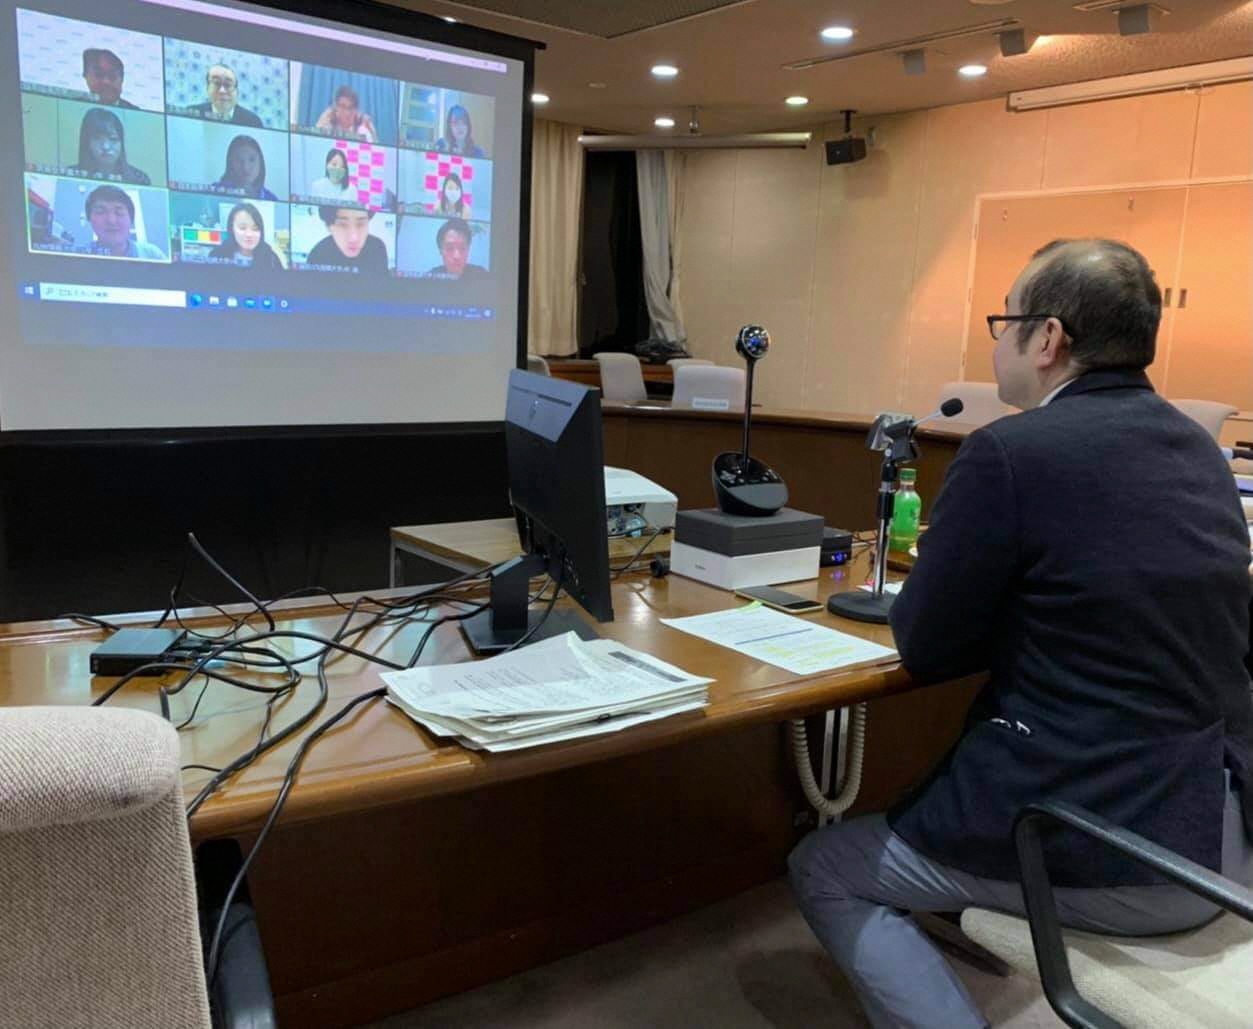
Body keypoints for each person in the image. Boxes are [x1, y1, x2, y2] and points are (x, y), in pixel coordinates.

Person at [788, 238, 1253, 1029]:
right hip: (1220, 828)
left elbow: (924, 643)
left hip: (1110, 841)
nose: (995, 342)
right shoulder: (1200, 453)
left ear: (1047, 339)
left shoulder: (1009, 451)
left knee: (825, 864)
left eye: (1004, 322)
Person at [68, 108, 150, 185]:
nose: (106, 147)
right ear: (87, 142)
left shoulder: (139, 179)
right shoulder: (71, 174)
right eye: (97, 139)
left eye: (113, 139)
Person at [82, 184, 164, 259]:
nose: (111, 220)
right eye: (101, 212)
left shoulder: (152, 255)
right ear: (89, 218)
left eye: (119, 212)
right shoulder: (81, 255)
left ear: (131, 219)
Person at [306, 206, 388, 272]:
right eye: (343, 225)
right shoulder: (318, 255)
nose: (354, 238)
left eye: (361, 224)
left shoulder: (377, 247)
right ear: (328, 226)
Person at [208, 202, 284, 270]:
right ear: (232, 229)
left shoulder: (271, 258)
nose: (249, 234)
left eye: (255, 229)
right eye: (242, 228)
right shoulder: (217, 255)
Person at [189, 63, 262, 127]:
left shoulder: (253, 121)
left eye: (228, 85)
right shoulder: (192, 114)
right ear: (207, 88)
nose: (222, 91)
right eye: (217, 83)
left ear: (237, 91)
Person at [215, 135, 279, 201]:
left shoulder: (271, 198)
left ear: (261, 162)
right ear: (231, 163)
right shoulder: (214, 191)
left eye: (252, 159)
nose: (246, 167)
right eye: (239, 160)